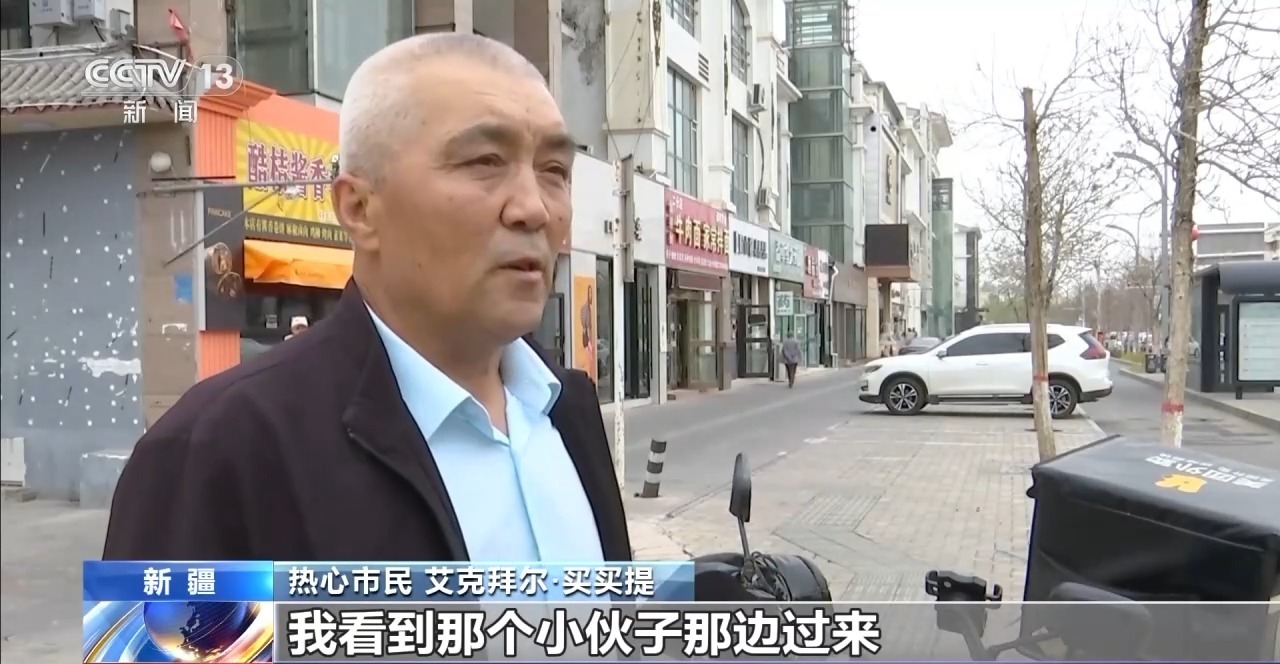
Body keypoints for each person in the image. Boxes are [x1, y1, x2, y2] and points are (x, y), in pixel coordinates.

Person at [102, 34, 629, 563]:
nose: (534, 209)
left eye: (554, 171)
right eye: (484, 161)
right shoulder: (213, 453)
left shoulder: (570, 408)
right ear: (358, 208)